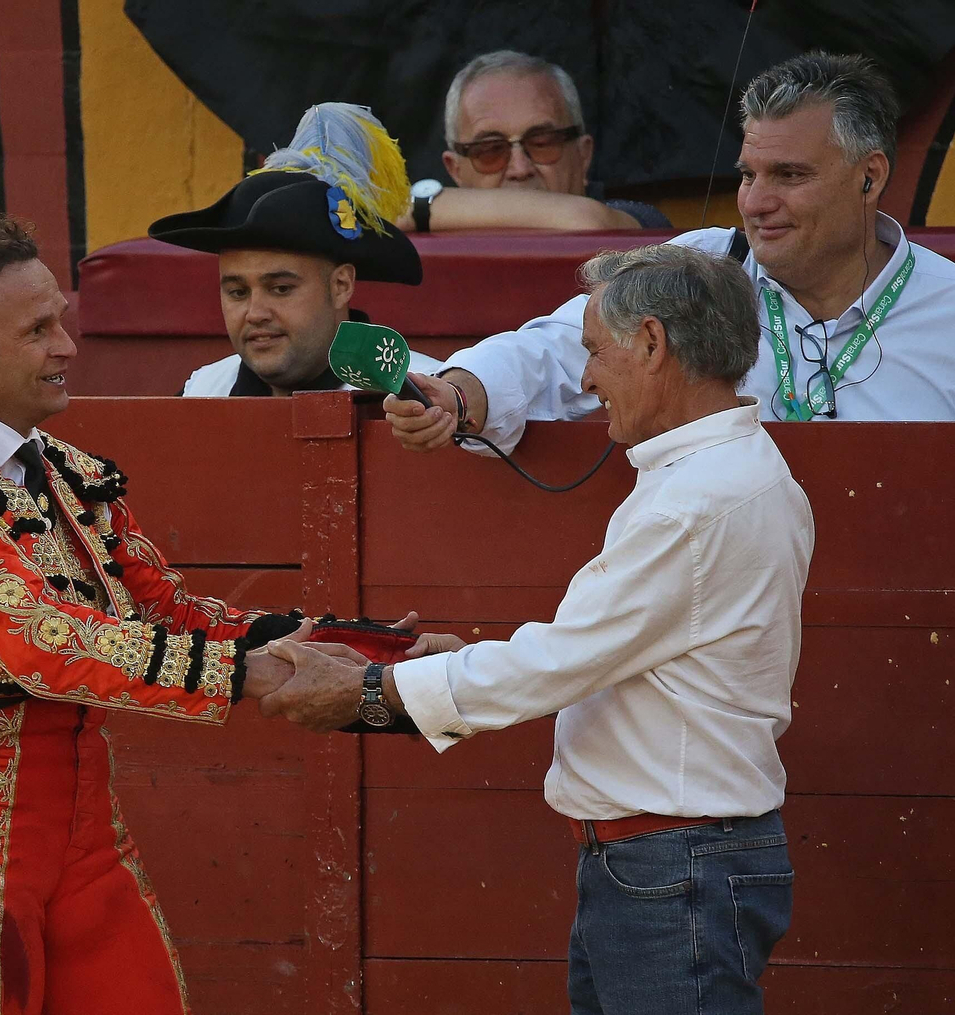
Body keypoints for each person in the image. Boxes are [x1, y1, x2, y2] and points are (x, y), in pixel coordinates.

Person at [262, 243, 814, 1014]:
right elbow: (605, 654)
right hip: (669, 855)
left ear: (652, 343)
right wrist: (445, 663)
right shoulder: (723, 474)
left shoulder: (697, 502)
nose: (586, 379)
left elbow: (560, 661)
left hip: (674, 862)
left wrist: (375, 691)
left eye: (595, 351)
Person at [0, 214, 318, 1015]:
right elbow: (38, 637)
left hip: (88, 839)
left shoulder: (72, 475)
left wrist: (339, 646)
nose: (67, 347)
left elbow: (168, 609)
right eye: (38, 330)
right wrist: (243, 673)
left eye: (62, 322)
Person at [387, 50, 955, 453]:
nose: (756, 201)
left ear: (869, 177)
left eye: (789, 176)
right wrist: (462, 392)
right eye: (748, 174)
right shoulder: (700, 270)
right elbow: (551, 351)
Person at [148, 103, 445, 396]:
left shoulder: (422, 397)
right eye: (237, 292)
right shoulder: (201, 392)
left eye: (281, 288)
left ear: (341, 285)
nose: (256, 314)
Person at [401, 50, 671, 235]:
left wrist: (417, 208)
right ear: (455, 169)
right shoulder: (429, 246)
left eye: (542, 143)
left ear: (583, 155)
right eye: (491, 150)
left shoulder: (642, 224)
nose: (520, 169)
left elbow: (591, 221)